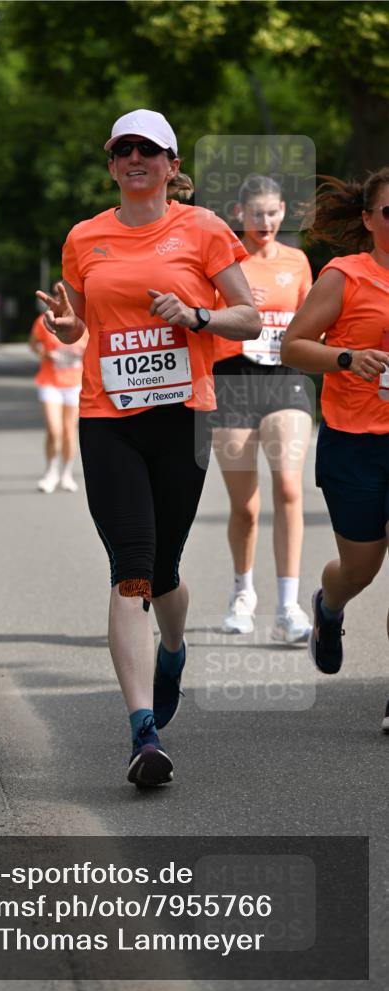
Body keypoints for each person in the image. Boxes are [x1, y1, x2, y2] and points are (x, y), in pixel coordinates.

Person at [37, 109, 261, 787]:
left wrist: (195, 315)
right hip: (109, 420)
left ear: (171, 165)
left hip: (182, 417)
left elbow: (249, 319)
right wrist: (66, 326)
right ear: (111, 164)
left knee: (163, 571)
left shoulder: (204, 229)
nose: (135, 158)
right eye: (122, 149)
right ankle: (143, 732)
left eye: (148, 150)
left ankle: (173, 648)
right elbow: (76, 327)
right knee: (130, 567)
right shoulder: (84, 237)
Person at [281, 167, 389, 731]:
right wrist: (348, 358)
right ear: (369, 220)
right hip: (355, 443)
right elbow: (293, 347)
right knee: (359, 569)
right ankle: (329, 607)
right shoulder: (345, 276)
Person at [211, 175, 314, 641]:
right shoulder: (225, 261)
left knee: (289, 487)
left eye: (273, 212)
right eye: (256, 213)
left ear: (283, 212)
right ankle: (243, 592)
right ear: (240, 214)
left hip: (284, 379)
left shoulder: (298, 261)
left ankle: (289, 606)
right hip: (233, 381)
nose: (265, 221)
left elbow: (313, 322)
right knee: (246, 507)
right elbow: (203, 316)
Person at [29, 299, 89, 492]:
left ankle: (66, 474)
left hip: (75, 383)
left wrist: (81, 353)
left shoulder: (85, 321)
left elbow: (95, 347)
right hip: (50, 382)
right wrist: (46, 354)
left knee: (69, 431)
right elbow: (34, 345)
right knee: (54, 430)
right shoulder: (45, 320)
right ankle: (51, 472)